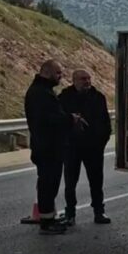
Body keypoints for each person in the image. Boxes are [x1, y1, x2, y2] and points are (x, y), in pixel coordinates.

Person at [25, 60, 86, 235]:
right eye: (58, 73)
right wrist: (70, 119)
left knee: (50, 184)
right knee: (48, 183)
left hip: (50, 146)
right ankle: (46, 221)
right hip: (47, 147)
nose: (61, 76)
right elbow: (50, 119)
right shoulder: (40, 94)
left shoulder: (43, 91)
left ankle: (49, 216)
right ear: (47, 72)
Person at [59, 69, 112, 225]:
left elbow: (106, 123)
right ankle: (70, 213)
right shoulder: (64, 98)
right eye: (83, 79)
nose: (87, 82)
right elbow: (60, 121)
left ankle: (99, 212)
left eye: (88, 79)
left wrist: (101, 141)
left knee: (96, 181)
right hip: (72, 147)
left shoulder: (98, 98)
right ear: (74, 80)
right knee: (70, 182)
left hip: (94, 148)